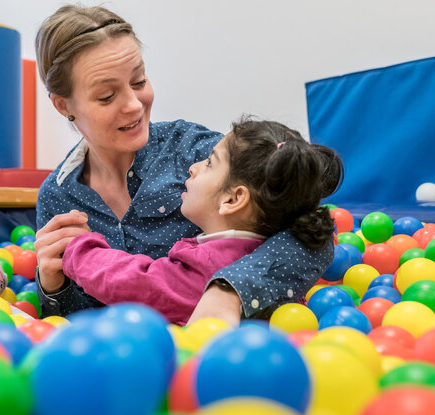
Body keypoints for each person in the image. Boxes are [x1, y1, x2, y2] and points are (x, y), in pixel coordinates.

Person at [33, 4, 340, 322]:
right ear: (63, 104)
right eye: (107, 96)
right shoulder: (58, 198)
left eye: (139, 81)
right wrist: (53, 287)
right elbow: (68, 323)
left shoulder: (198, 151)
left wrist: (229, 290)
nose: (134, 105)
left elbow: (312, 231)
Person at [58, 117, 343, 325]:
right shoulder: (267, 244)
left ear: (233, 199)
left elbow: (138, 284)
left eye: (209, 163)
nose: (193, 168)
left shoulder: (210, 267)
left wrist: (79, 249)